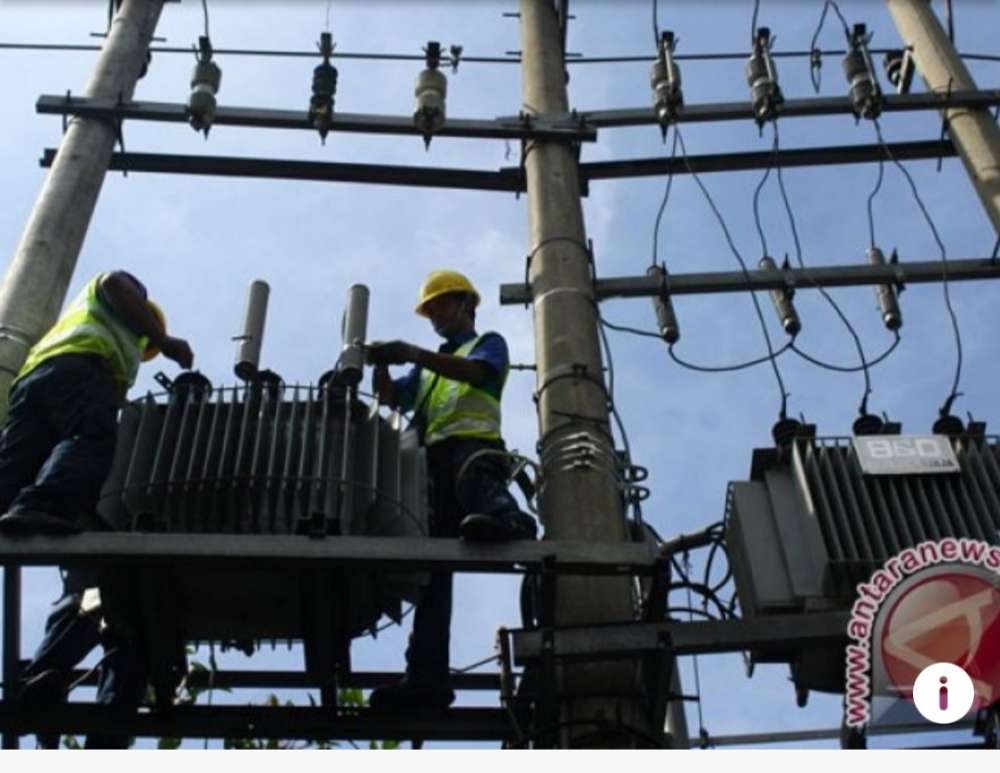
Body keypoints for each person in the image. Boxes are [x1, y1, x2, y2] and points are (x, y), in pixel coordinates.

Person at [0, 270, 193, 747]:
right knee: (90, 434)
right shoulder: (115, 304)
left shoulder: (72, 340)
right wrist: (163, 338)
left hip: (34, 382)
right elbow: (115, 285)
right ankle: (41, 505)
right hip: (76, 372)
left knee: (18, 463)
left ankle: (22, 503)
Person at [366, 269, 537, 711]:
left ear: (466, 304)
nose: (435, 315)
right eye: (431, 310)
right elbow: (388, 397)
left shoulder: (487, 343)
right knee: (431, 575)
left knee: (472, 478)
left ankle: (510, 520)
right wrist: (380, 362)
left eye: (441, 305)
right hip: (431, 467)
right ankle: (426, 677)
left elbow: (479, 374)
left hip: (473, 449)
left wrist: (413, 353)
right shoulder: (425, 374)